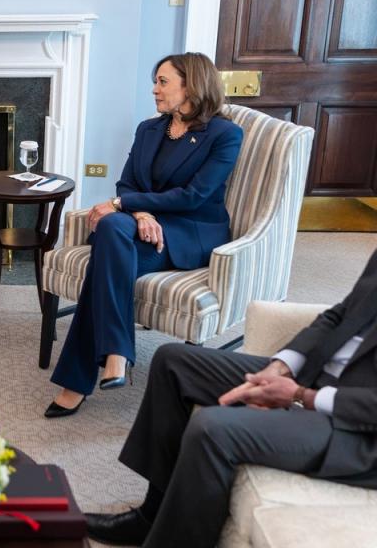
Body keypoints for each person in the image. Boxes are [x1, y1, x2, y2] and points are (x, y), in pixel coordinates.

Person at [85, 247, 377, 547]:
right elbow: (340, 313)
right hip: (319, 374)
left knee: (213, 429)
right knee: (173, 362)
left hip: (356, 428)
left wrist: (304, 396)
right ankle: (151, 516)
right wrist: (281, 367)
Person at [45, 52, 243, 417]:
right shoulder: (149, 129)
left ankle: (78, 380)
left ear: (192, 85)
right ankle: (116, 353)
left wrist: (125, 204)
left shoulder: (224, 134)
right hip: (141, 225)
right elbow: (127, 182)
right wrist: (138, 211)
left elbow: (194, 196)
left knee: (107, 243)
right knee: (111, 228)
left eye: (163, 82)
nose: (154, 89)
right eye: (156, 81)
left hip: (188, 232)